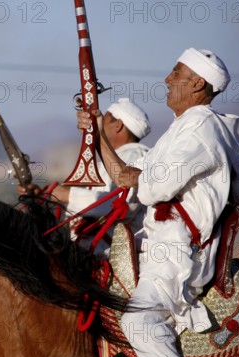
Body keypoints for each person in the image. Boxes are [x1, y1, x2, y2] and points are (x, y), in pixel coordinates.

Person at [77, 48, 239, 357]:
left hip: (176, 253)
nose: (167, 80)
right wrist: (96, 130)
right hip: (157, 244)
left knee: (138, 321)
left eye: (176, 72)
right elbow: (126, 176)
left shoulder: (202, 127)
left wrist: (136, 175)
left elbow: (154, 187)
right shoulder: (184, 126)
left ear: (198, 83)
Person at [18, 98, 151, 256]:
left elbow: (123, 205)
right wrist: (43, 197)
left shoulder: (134, 154)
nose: (97, 125)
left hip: (108, 256)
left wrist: (68, 195)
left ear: (118, 125)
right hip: (87, 252)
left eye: (104, 121)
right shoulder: (112, 160)